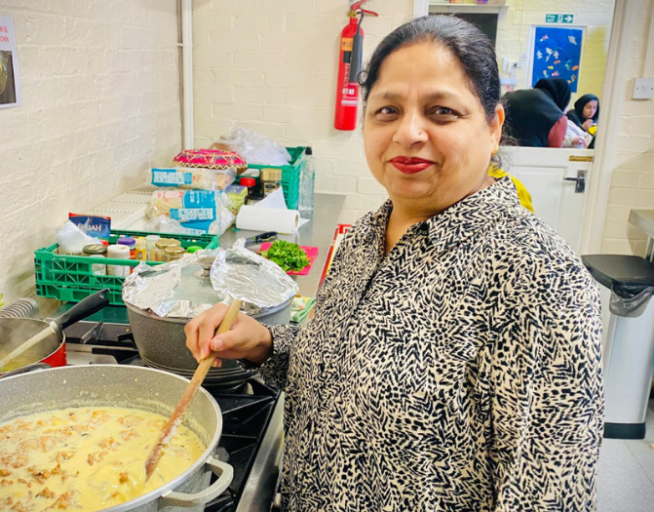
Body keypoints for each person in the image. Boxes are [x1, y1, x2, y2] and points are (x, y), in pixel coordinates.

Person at [186, 16, 603, 512]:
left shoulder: (539, 278)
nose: (408, 132)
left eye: (441, 111)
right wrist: (266, 344)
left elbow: (549, 496)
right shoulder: (363, 237)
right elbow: (340, 370)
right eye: (387, 110)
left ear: (493, 128)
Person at [503, 78, 572, 147]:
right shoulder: (558, 119)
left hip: (498, 151)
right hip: (531, 156)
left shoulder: (509, 96)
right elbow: (554, 154)